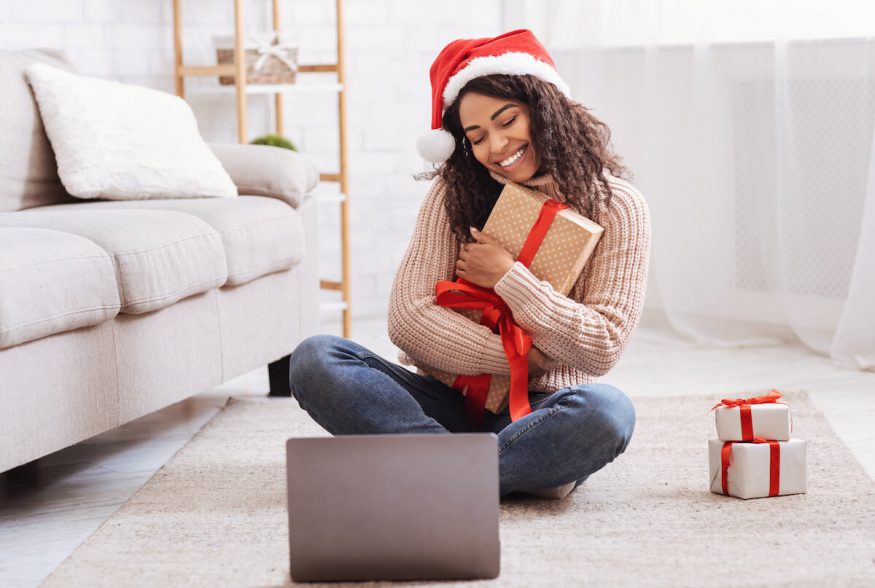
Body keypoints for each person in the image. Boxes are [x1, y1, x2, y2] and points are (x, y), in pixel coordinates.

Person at [289, 29, 651, 499]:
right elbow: (409, 317)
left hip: (541, 407)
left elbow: (602, 344)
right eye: (477, 137)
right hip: (443, 401)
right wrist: (520, 356)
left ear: (545, 108)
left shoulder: (617, 205)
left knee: (607, 413)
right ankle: (506, 470)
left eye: (508, 120)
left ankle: (427, 467)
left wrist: (508, 278)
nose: (497, 146)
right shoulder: (454, 194)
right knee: (315, 359)